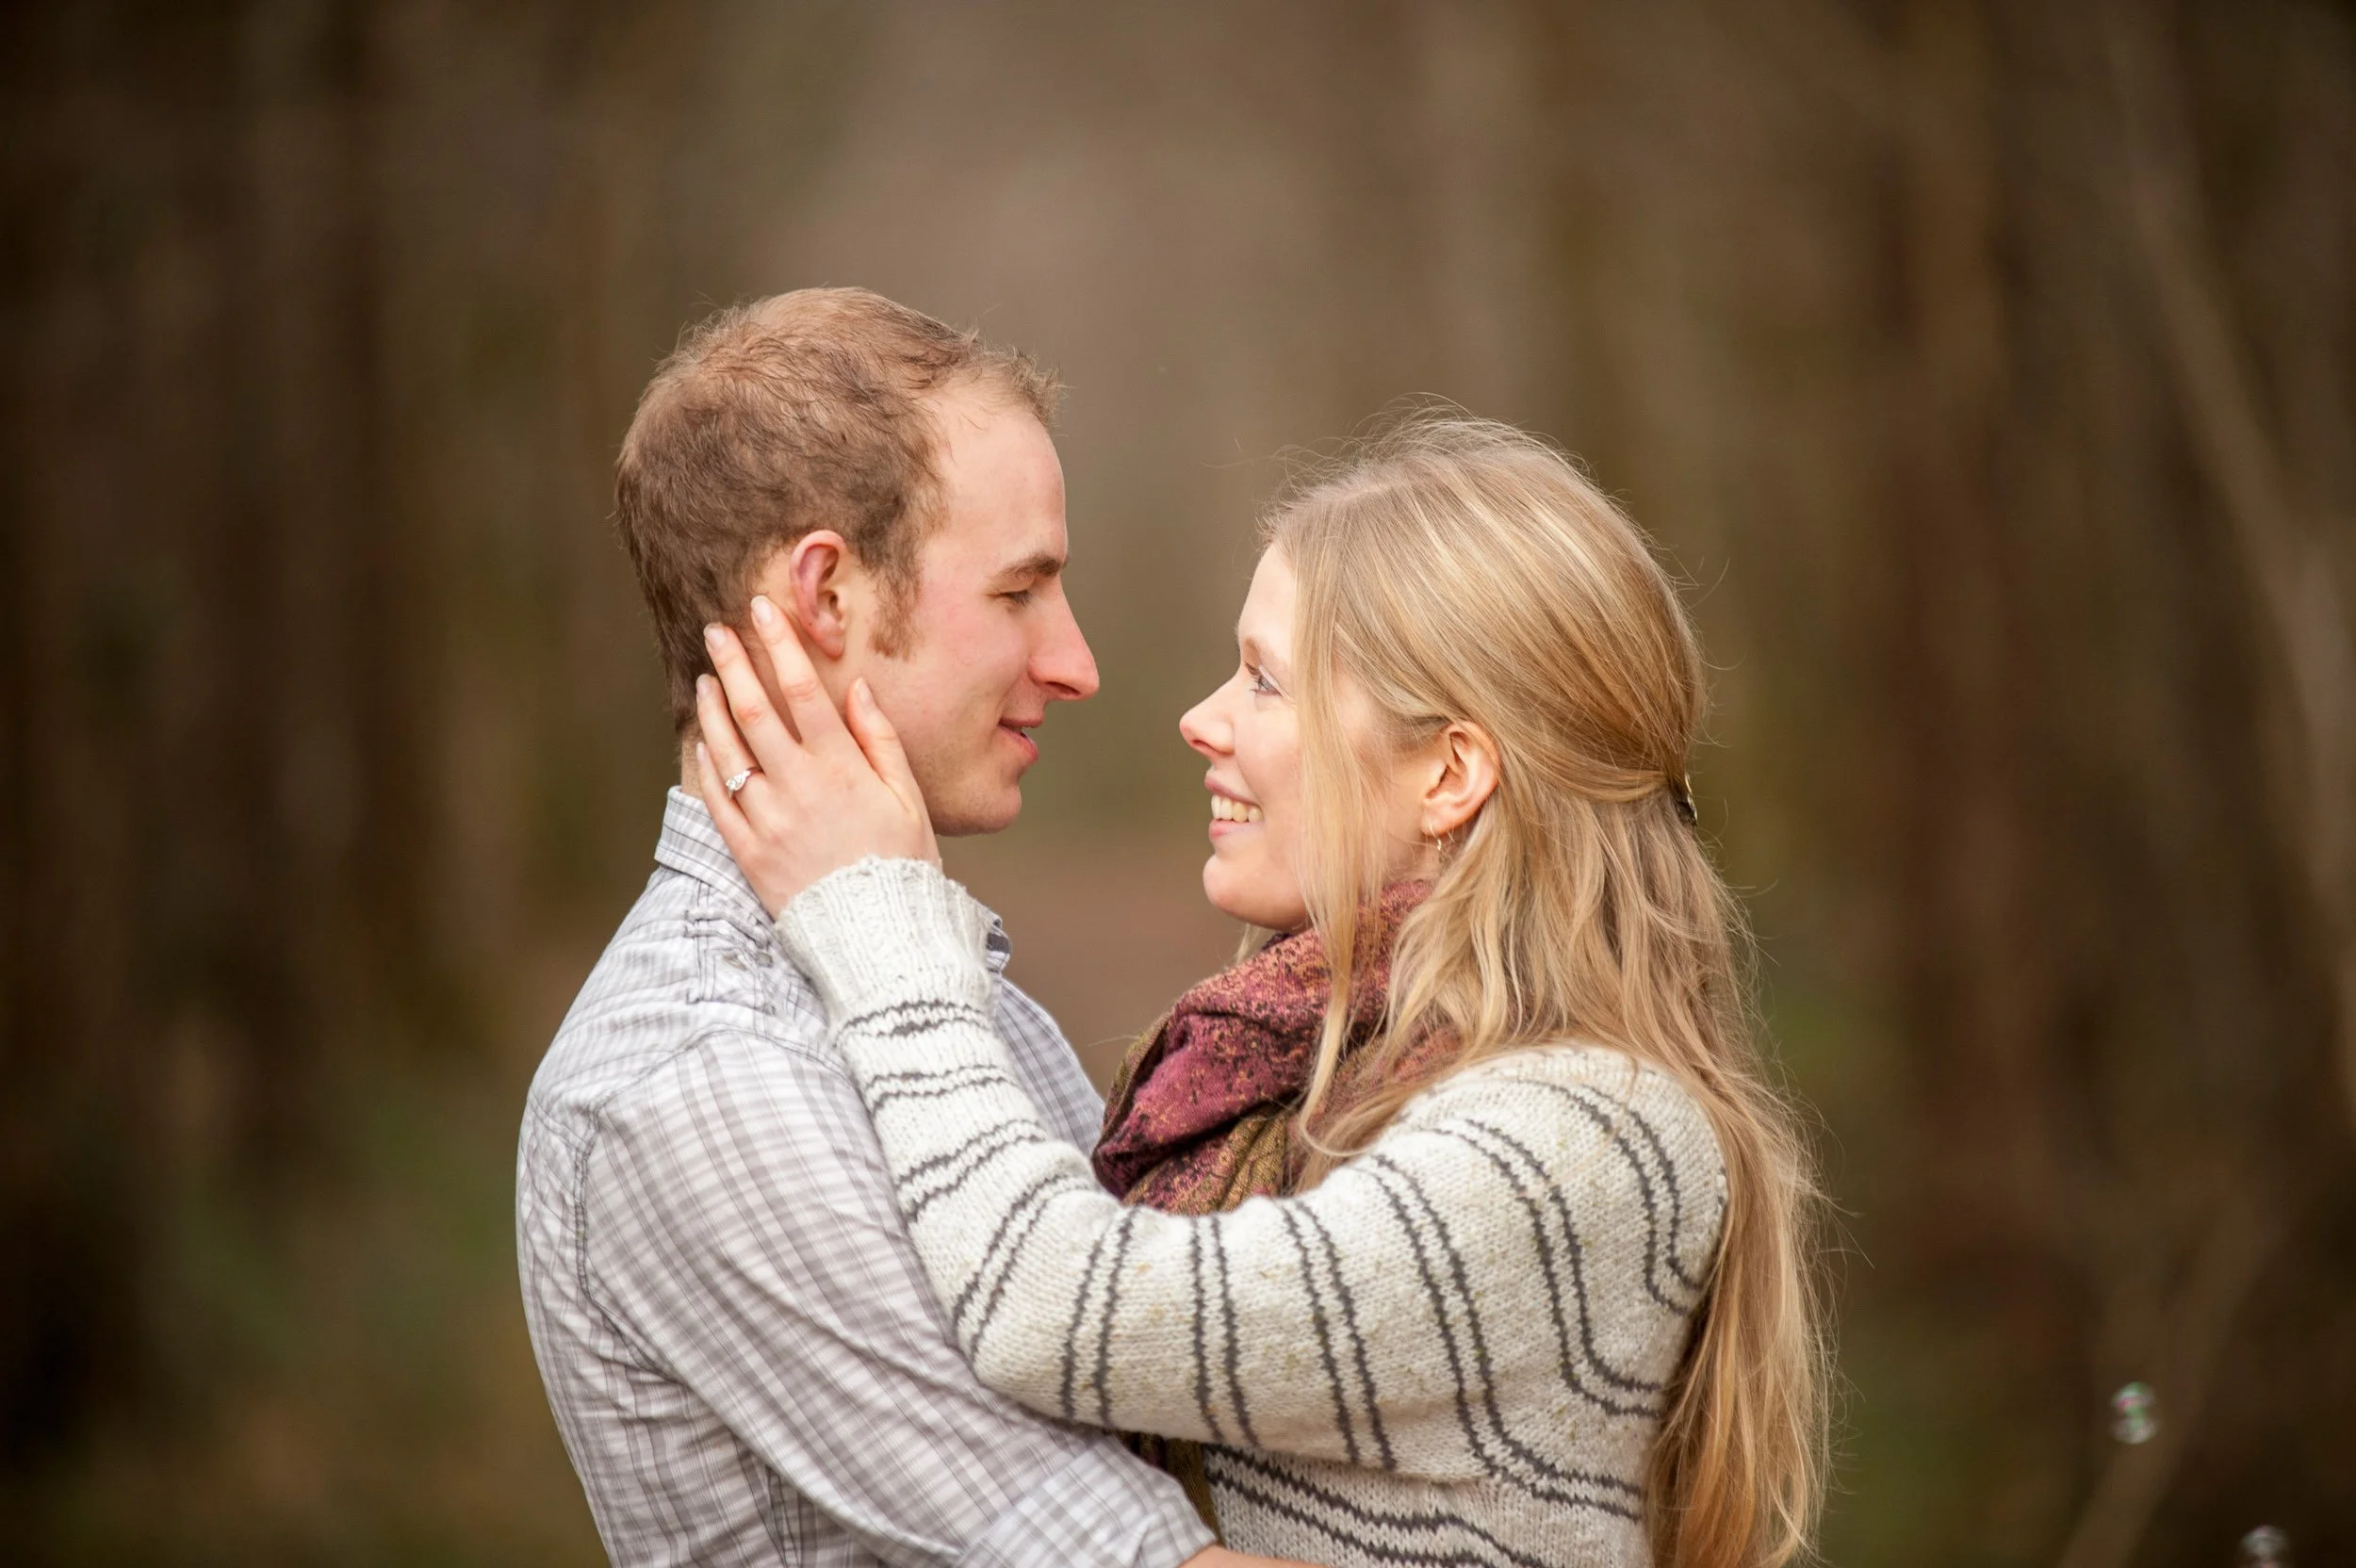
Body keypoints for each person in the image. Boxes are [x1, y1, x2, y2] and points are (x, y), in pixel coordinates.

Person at [692, 415, 1830, 1568]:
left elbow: (1052, 1304)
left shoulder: (1583, 1140)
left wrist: (879, 911)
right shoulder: (1322, 1075)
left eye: (1264, 681)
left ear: (1448, 771)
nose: (1201, 719)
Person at [516, 287, 1296, 1568]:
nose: (1077, 662)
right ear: (825, 595)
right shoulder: (705, 1082)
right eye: (1019, 591)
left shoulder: (924, 988)